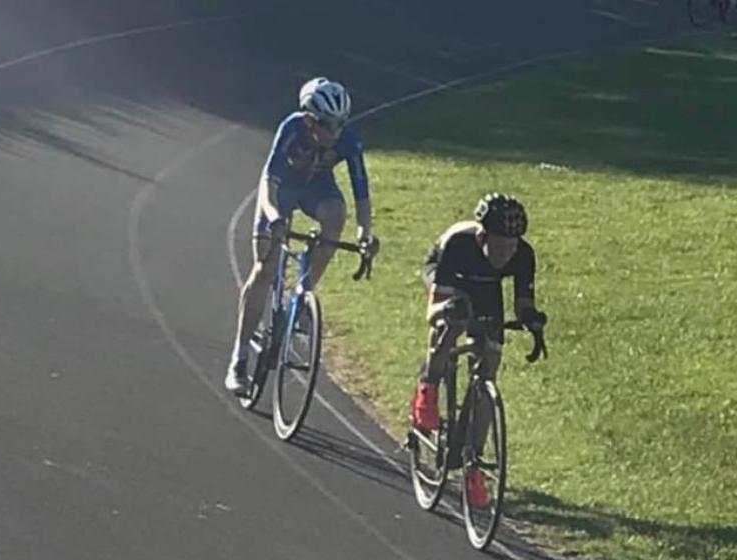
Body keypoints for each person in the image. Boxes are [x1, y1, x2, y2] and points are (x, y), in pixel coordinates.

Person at [226, 77, 378, 393]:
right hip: (281, 190)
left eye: (340, 124)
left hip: (316, 189)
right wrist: (274, 218)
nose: (335, 132)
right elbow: (268, 183)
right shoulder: (292, 129)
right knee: (265, 268)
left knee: (336, 215)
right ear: (309, 120)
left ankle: (303, 293)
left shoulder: (348, 140)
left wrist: (365, 234)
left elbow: (361, 193)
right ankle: (239, 359)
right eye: (327, 124)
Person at [411, 193, 548, 507]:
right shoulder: (460, 243)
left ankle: (475, 463)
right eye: (499, 247)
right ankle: (428, 390)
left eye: (511, 247)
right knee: (451, 322)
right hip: (449, 273)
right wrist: (447, 311)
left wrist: (533, 322)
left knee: (490, 361)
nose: (506, 254)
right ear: (483, 236)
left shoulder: (523, 254)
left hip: (485, 286)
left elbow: (523, 303)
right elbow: (433, 311)